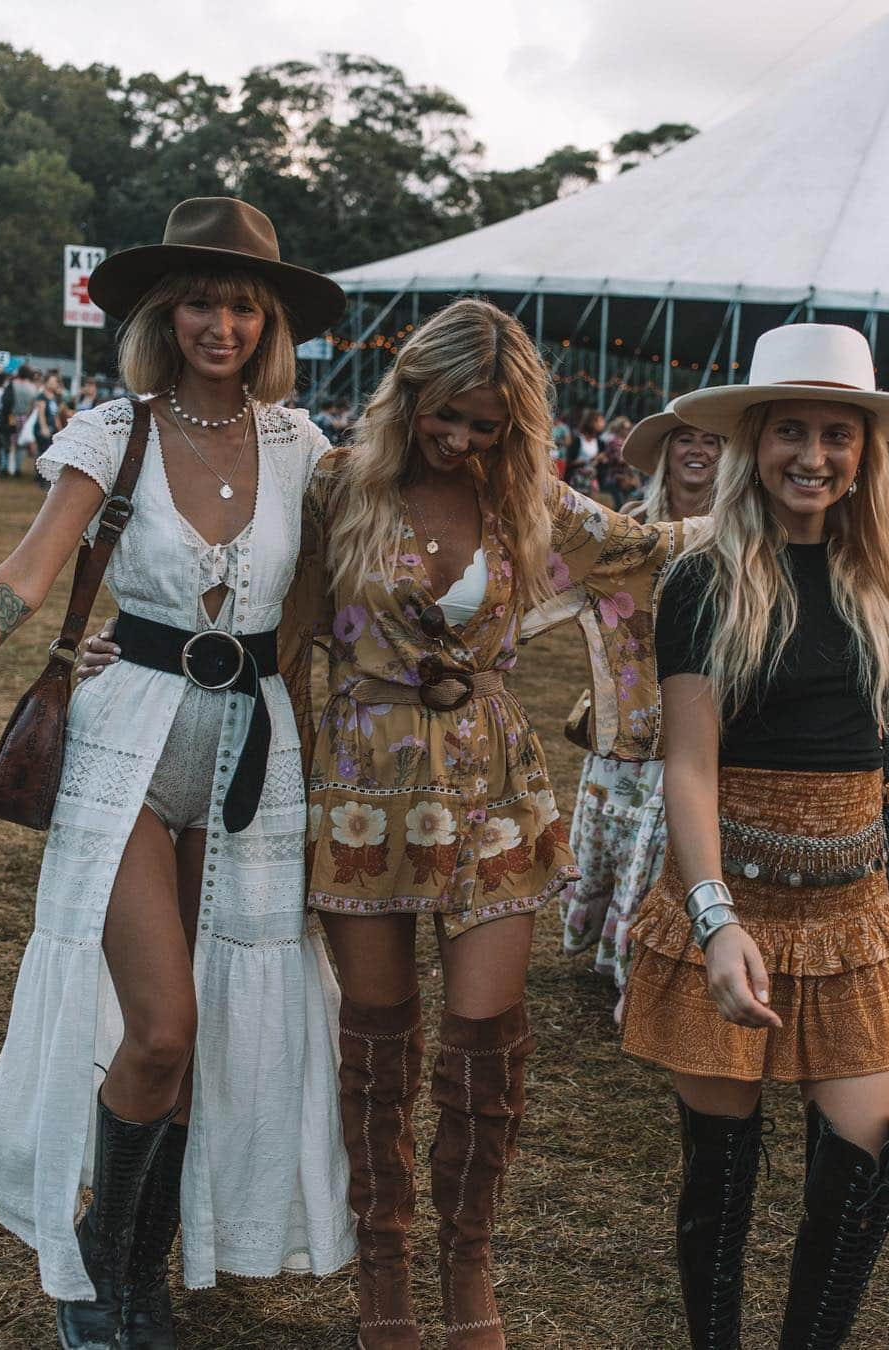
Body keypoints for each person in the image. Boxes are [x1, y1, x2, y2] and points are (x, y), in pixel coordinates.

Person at [275, 297, 685, 1349]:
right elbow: (282, 631)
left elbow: (655, 550)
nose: (458, 440)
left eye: (484, 425)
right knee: (377, 1045)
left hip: (496, 796)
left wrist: (792, 498)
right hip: (362, 786)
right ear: (408, 397)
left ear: (514, 428)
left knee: (483, 1045)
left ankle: (468, 1265)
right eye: (443, 416)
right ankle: (385, 1272)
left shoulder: (529, 507)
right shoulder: (336, 485)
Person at [0, 197, 355, 1350]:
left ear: (269, 323)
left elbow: (381, 569)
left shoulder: (304, 447)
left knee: (212, 1031)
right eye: (202, 299)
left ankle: (144, 1274)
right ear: (166, 310)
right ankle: (94, 1273)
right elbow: (30, 573)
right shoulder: (114, 431)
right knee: (159, 1027)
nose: (223, 321)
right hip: (129, 744)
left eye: (245, 304)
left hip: (254, 750)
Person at [620, 323, 889, 1349]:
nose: (815, 456)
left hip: (853, 910)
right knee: (721, 1180)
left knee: (864, 1162)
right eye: (792, 432)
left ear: (867, 455)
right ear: (753, 443)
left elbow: (875, 730)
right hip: (738, 900)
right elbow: (688, 763)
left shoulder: (874, 577)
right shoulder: (704, 580)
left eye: (839, 435)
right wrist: (715, 918)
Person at [563, 407, 723, 1024]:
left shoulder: (741, 531)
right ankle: (614, 945)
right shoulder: (630, 526)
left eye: (712, 440)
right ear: (666, 451)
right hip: (631, 710)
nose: (699, 450)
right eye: (687, 438)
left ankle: (660, 964)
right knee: (620, 839)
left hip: (700, 703)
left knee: (665, 842)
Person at [565, 407, 605, 493]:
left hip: (592, 480)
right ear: (591, 422)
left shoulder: (600, 443)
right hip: (577, 480)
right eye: (600, 421)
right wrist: (582, 462)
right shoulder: (578, 440)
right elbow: (569, 462)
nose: (602, 424)